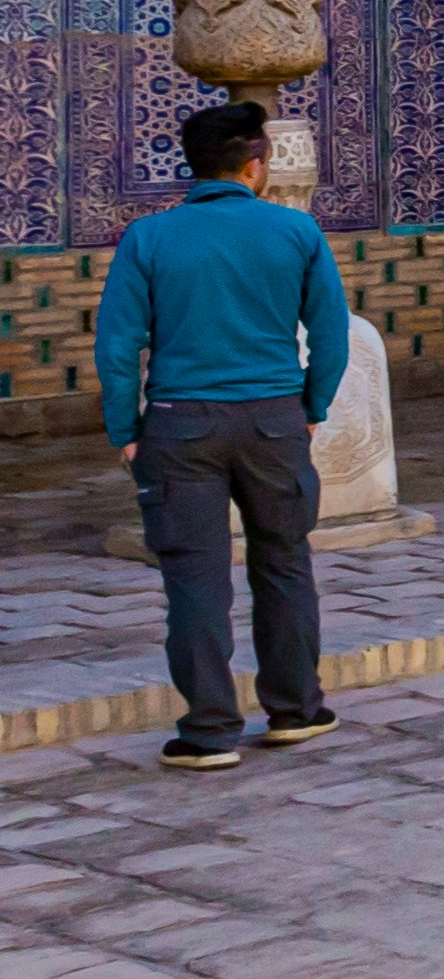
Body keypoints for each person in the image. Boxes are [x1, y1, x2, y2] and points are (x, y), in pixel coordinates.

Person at [94, 100, 351, 770]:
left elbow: (118, 344)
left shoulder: (148, 238)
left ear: (194, 166)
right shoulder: (297, 232)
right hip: (273, 421)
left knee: (195, 579)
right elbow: (329, 332)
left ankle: (209, 731)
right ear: (256, 166)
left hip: (180, 426)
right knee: (285, 562)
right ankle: (295, 709)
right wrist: (312, 404)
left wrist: (126, 427)